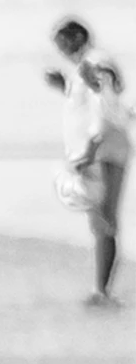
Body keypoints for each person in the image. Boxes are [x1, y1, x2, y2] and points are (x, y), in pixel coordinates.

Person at [50, 20, 128, 303]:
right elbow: (97, 100)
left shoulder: (96, 62)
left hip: (103, 150)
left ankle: (102, 290)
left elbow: (105, 102)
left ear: (77, 37)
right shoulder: (87, 66)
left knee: (103, 218)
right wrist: (65, 87)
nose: (61, 50)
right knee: (100, 218)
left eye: (62, 43)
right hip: (102, 148)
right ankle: (101, 288)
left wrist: (91, 148)